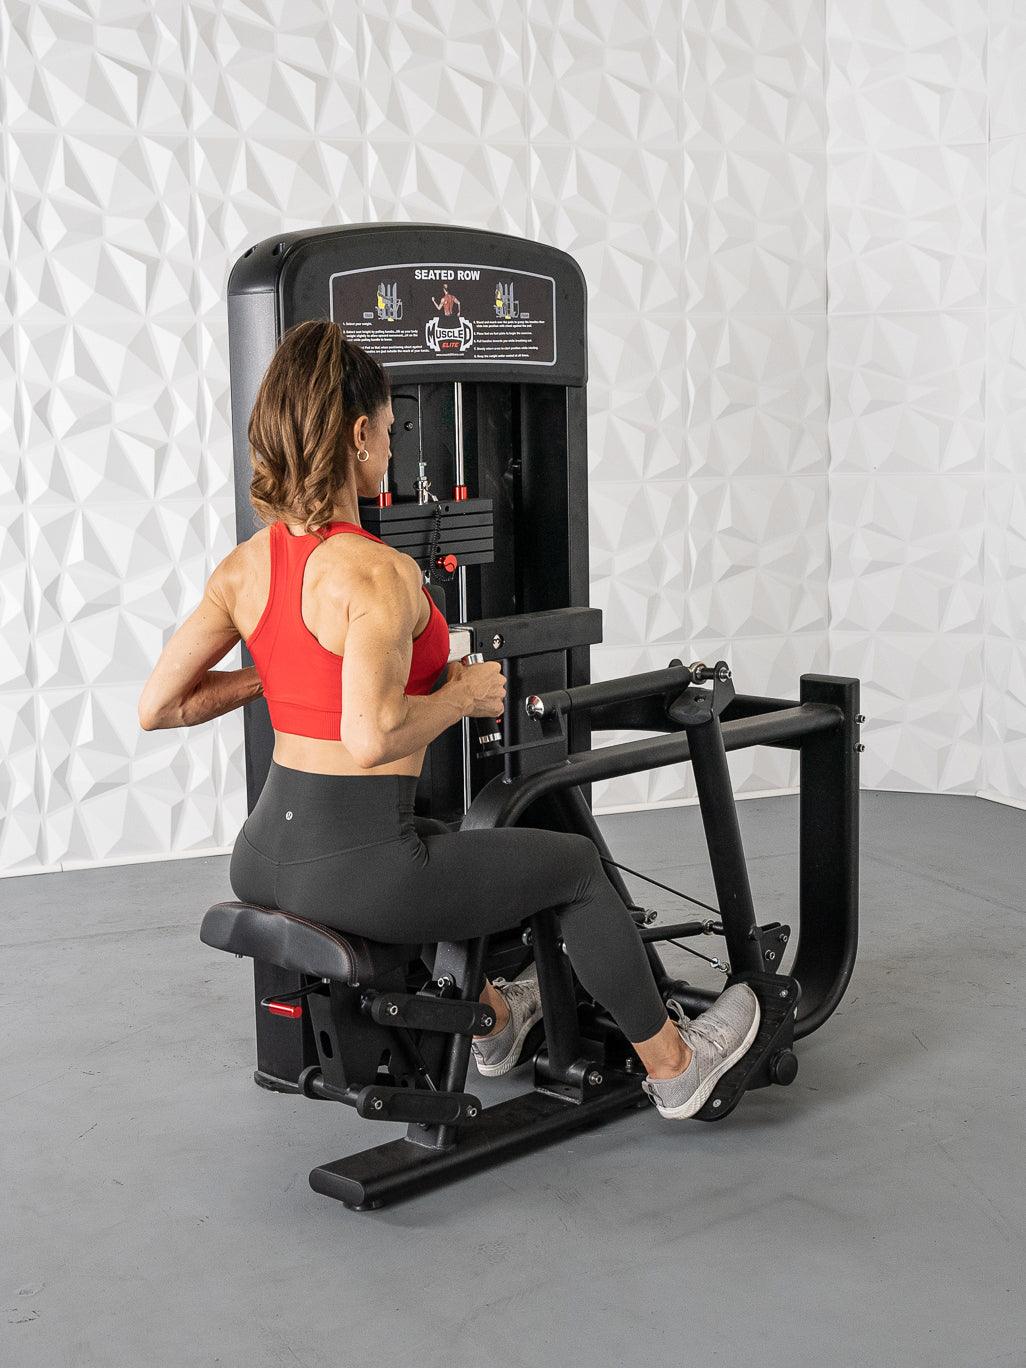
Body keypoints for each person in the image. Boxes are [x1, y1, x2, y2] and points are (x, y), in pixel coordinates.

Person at [137, 320, 760, 1120]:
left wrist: (275, 673)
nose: (391, 446)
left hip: (260, 857)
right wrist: (461, 697)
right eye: (389, 429)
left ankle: (495, 1025)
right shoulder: (379, 573)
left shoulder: (245, 566)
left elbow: (161, 706)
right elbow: (371, 737)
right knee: (575, 868)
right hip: (356, 868)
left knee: (445, 839)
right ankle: (678, 1068)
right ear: (358, 436)